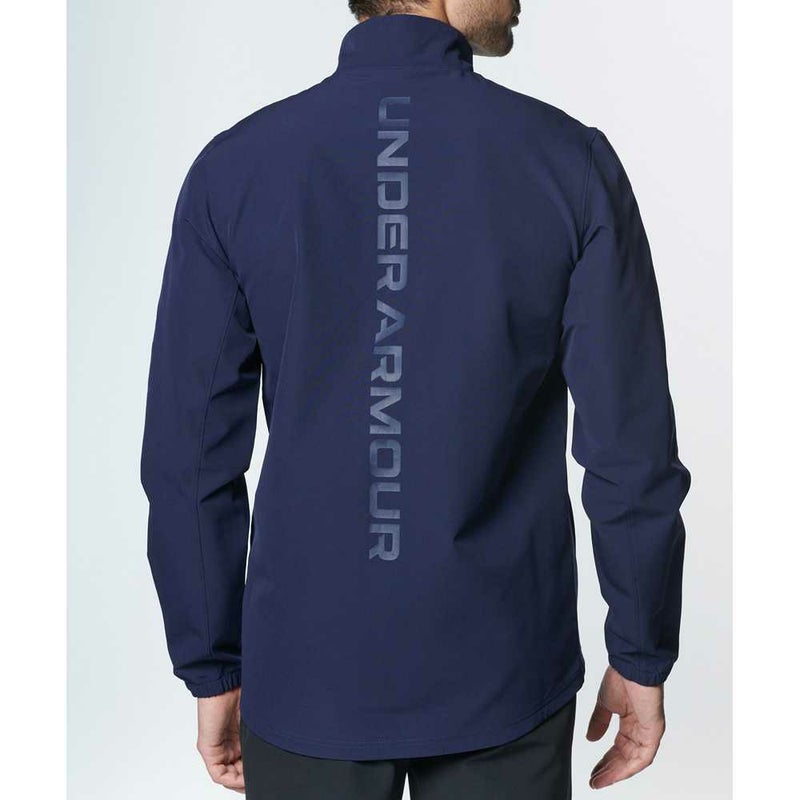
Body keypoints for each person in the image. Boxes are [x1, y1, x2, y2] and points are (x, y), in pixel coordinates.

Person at [141, 1, 690, 797]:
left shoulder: (236, 168)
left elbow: (188, 461)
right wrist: (640, 650)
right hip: (503, 670)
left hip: (307, 673)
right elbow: (630, 447)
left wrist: (211, 665)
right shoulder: (568, 163)